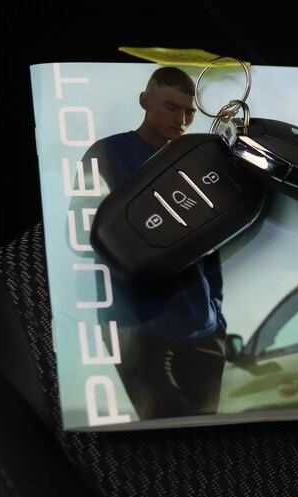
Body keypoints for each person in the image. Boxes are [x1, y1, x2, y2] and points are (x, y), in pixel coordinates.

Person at [75, 66, 228, 420]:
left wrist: (216, 312)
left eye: (189, 112)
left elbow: (212, 242)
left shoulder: (196, 155)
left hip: (203, 329)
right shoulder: (106, 153)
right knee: (166, 426)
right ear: (145, 100)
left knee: (206, 432)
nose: (182, 120)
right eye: (171, 107)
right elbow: (82, 233)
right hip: (137, 330)